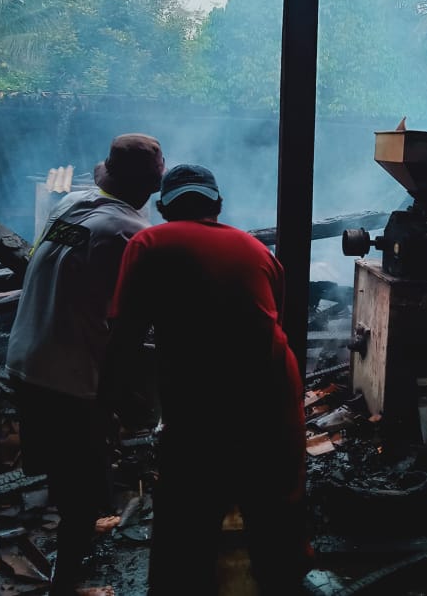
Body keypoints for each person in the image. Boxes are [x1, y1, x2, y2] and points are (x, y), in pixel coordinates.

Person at [101, 164, 309, 595]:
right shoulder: (257, 250)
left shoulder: (149, 241)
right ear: (218, 204)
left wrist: (113, 404)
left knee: (186, 535)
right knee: (276, 528)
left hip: (203, 412)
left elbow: (124, 337)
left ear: (161, 208)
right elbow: (273, 326)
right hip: (277, 401)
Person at [4, 133, 165, 595]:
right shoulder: (128, 234)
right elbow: (137, 318)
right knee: (84, 476)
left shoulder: (70, 205)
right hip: (67, 375)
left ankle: (74, 520)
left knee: (61, 463)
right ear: (149, 189)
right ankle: (67, 585)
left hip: (25, 356)